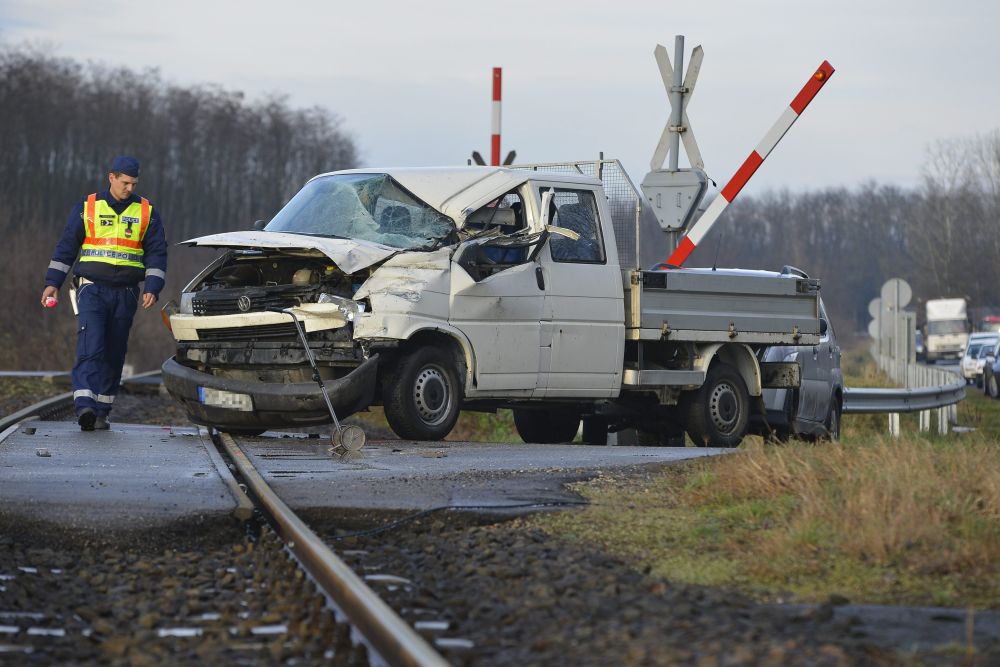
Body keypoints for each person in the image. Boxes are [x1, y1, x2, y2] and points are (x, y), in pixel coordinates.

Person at [41, 156, 167, 431]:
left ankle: (101, 410)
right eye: (124, 182)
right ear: (111, 177)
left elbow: (157, 253)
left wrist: (153, 288)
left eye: (133, 183)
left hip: (127, 294)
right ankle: (84, 406)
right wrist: (54, 282)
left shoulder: (147, 212)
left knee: (114, 352)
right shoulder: (87, 207)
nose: (129, 188)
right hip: (91, 288)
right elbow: (66, 247)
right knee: (92, 344)